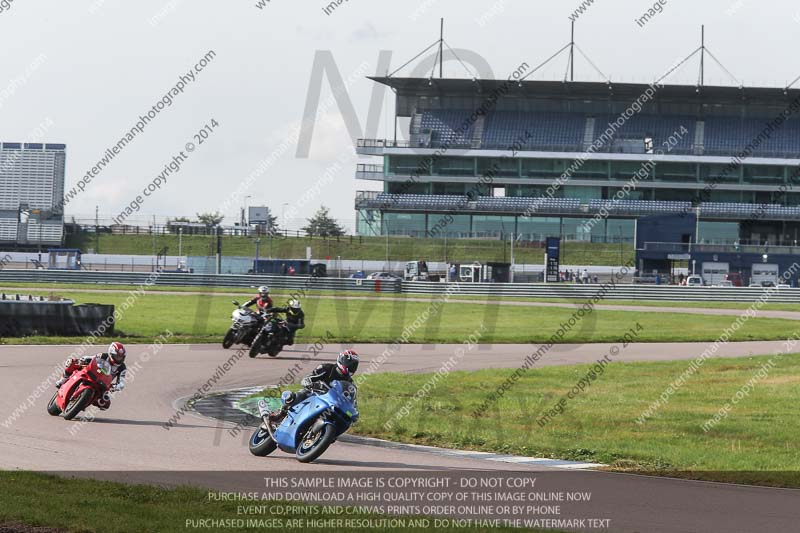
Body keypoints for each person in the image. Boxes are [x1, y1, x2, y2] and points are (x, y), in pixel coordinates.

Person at [269, 349, 359, 423]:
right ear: (342, 360)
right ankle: (281, 412)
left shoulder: (350, 383)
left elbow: (352, 401)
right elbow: (309, 377)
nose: (351, 367)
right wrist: (309, 382)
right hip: (315, 394)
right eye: (349, 363)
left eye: (354, 366)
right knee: (302, 393)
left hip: (330, 403)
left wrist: (353, 410)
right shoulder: (326, 368)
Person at [55, 342, 127, 410]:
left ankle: (84, 402)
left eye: (120, 357)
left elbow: (121, 382)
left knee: (105, 404)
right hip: (93, 374)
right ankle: (63, 380)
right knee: (72, 362)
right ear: (111, 354)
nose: (118, 359)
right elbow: (92, 358)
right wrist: (82, 360)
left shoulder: (122, 368)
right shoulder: (103, 356)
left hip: (103, 384)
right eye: (117, 356)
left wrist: (115, 387)